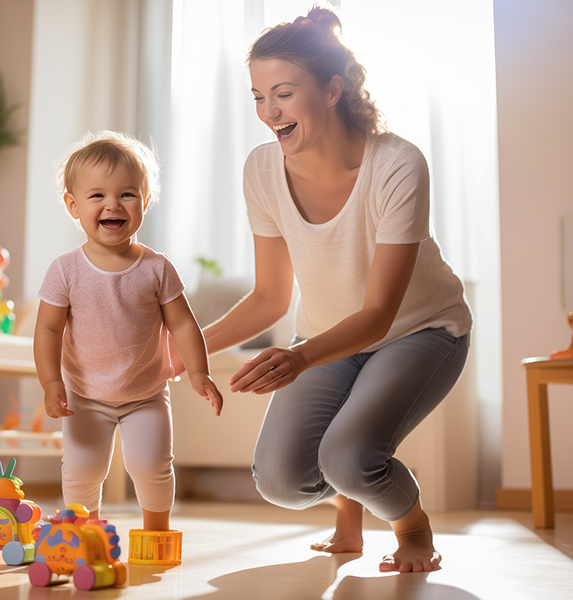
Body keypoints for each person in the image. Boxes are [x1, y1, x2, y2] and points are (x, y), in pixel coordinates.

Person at [173, 5, 472, 573]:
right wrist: (186, 347)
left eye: (282, 93)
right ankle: (348, 507)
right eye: (258, 97)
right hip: (328, 337)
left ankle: (411, 526)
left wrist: (299, 357)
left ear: (333, 90)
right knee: (281, 481)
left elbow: (380, 314)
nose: (268, 112)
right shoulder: (262, 170)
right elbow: (269, 297)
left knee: (349, 457)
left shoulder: (398, 164)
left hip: (420, 331)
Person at [33, 130, 223, 537]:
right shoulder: (65, 270)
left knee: (152, 465)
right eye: (97, 195)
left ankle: (156, 533)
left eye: (127, 195)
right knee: (83, 470)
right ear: (73, 206)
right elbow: (47, 329)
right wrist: (51, 381)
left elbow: (184, 323)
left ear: (146, 201)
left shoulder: (157, 268)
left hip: (147, 394)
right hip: (84, 396)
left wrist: (198, 372)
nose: (112, 205)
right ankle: (84, 533)